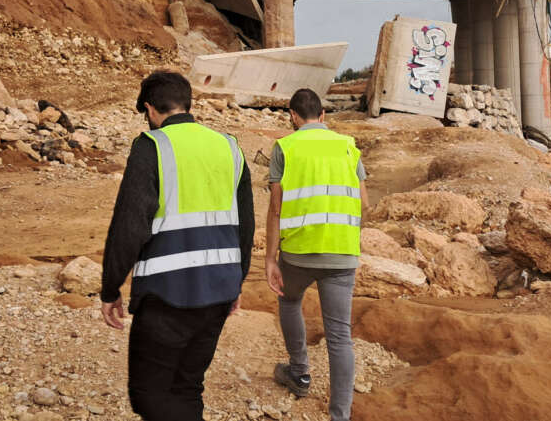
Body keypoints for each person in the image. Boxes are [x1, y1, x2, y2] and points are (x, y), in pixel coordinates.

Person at [100, 70, 254, 421]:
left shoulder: (151, 146)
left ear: (151, 110)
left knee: (147, 395)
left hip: (167, 295)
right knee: (187, 386)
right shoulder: (229, 147)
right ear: (187, 103)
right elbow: (245, 225)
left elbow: (128, 226)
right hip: (218, 290)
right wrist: (236, 282)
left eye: (146, 114)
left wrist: (110, 289)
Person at [264, 88, 367, 421]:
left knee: (290, 300)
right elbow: (364, 204)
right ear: (322, 116)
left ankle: (299, 373)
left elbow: (275, 209)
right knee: (339, 336)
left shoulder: (285, 147)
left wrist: (269, 258)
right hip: (341, 253)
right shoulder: (348, 147)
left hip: (297, 253)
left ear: (293, 117)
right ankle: (340, 416)